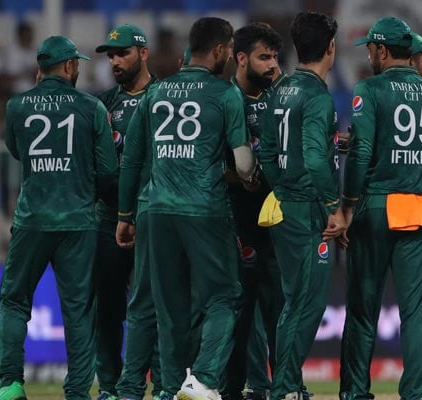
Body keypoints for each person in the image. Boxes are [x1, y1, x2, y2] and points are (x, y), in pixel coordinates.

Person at [116, 16, 254, 400]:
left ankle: (169, 388)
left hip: (157, 211)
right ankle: (204, 378)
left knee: (170, 307)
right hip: (205, 208)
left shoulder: (155, 94)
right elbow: (243, 164)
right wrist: (251, 177)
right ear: (222, 50)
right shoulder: (226, 94)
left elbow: (131, 162)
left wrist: (125, 217)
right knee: (224, 297)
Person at [0, 35, 118, 400]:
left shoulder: (17, 106)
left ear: (38, 70)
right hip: (78, 221)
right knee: (78, 310)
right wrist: (86, 191)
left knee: (14, 301)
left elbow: (17, 152)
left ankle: (10, 384)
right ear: (69, 66)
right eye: (76, 63)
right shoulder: (91, 107)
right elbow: (108, 169)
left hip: (31, 219)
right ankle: (77, 391)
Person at [339, 16, 422, 400]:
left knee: (363, 309)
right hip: (420, 207)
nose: (368, 55)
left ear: (382, 50)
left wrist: (346, 205)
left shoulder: (369, 89)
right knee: (416, 313)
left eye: (369, 48)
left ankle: (354, 392)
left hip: (378, 205)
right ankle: (415, 394)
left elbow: (363, 150)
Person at [259, 11, 346, 400]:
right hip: (308, 210)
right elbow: (312, 157)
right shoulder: (317, 96)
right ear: (330, 48)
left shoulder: (281, 88)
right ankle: (285, 388)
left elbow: (268, 152)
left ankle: (287, 385)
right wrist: (333, 207)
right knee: (307, 303)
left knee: (294, 301)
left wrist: (283, 187)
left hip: (283, 205)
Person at [92, 24, 162, 400]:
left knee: (156, 305)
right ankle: (111, 387)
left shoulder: (165, 97)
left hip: (154, 214)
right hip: (108, 219)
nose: (115, 61)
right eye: (111, 55)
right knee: (107, 307)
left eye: (123, 53)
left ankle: (162, 383)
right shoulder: (103, 104)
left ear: (144, 53)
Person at [222, 22, 285, 400]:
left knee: (281, 305)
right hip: (236, 216)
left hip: (277, 216)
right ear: (240, 58)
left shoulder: (281, 96)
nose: (273, 65)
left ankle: (284, 385)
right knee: (240, 308)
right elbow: (208, 161)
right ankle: (243, 385)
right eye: (264, 57)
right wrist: (235, 176)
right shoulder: (223, 98)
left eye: (276, 57)